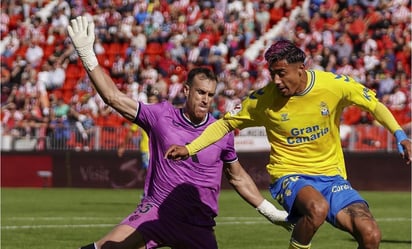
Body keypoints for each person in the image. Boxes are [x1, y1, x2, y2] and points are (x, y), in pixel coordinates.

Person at [67, 16, 290, 249]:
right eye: (201, 92)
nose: (205, 99)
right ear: (186, 90)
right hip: (156, 213)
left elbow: (237, 177)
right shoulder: (160, 116)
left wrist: (270, 211)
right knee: (108, 247)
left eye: (210, 95)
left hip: (197, 224)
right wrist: (86, 54)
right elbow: (113, 97)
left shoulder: (221, 131)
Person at [165, 39, 412, 249]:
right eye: (272, 73)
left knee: (371, 235)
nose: (276, 80)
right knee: (316, 208)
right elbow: (224, 124)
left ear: (300, 69)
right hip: (290, 176)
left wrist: (400, 136)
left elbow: (374, 105)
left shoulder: (333, 85)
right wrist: (190, 148)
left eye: (281, 73)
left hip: (333, 178)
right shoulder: (262, 100)